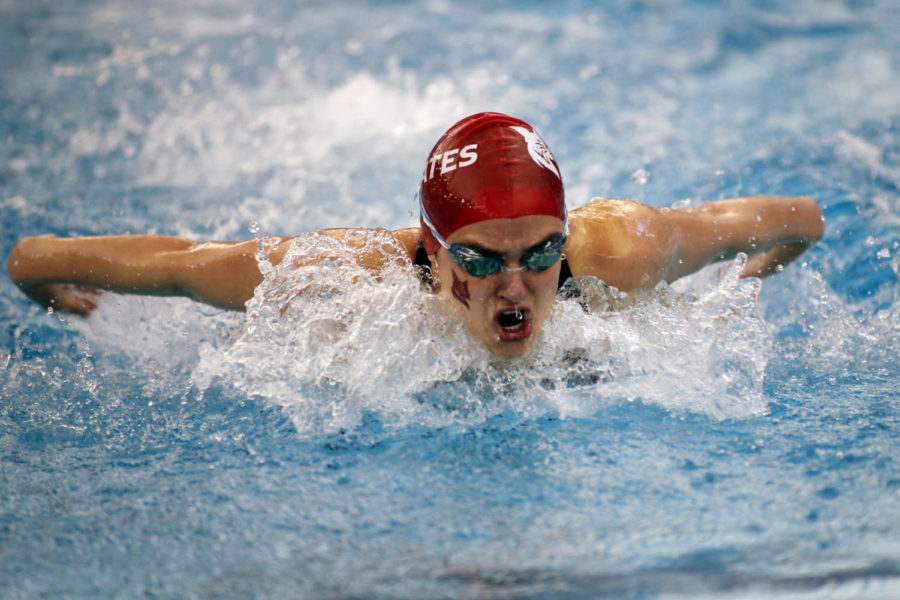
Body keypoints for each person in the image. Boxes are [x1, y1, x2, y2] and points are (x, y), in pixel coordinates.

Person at [7, 112, 824, 359]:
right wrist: (42, 276)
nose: (517, 285)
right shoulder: (348, 276)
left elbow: (801, 220)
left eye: (542, 252)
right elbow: (185, 267)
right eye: (479, 258)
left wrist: (747, 282)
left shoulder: (621, 252)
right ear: (433, 252)